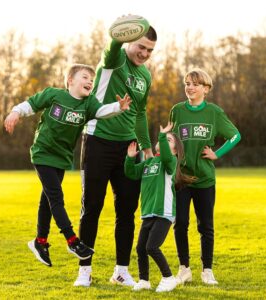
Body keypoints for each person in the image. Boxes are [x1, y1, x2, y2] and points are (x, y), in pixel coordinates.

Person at [4, 63, 131, 267]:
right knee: (55, 197)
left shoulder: (88, 103)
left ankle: (40, 241)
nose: (90, 81)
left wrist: (118, 107)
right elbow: (31, 104)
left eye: (92, 79)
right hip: (43, 153)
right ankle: (73, 241)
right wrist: (15, 113)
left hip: (62, 158)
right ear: (70, 80)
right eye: (85, 77)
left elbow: (102, 111)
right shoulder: (54, 95)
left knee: (47, 199)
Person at [74, 15, 157, 287]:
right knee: (92, 208)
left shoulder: (145, 74)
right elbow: (111, 49)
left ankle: (121, 270)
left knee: (127, 211)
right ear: (129, 40)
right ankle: (84, 271)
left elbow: (140, 113)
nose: (144, 54)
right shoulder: (115, 60)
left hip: (129, 149)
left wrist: (146, 148)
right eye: (141, 46)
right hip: (98, 142)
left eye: (149, 50)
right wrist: (117, 36)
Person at [169, 68, 241, 285]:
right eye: (187, 83)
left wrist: (216, 154)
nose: (190, 87)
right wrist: (170, 149)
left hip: (205, 179)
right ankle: (184, 269)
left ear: (206, 89)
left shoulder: (214, 113)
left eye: (195, 84)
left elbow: (235, 135)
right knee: (180, 223)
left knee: (206, 226)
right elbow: (171, 136)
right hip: (182, 177)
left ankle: (207, 270)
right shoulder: (177, 110)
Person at [125, 122, 195, 292]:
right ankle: (144, 281)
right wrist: (130, 158)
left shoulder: (169, 161)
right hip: (148, 212)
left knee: (152, 247)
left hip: (164, 213)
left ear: (175, 150)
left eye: (169, 140)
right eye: (165, 138)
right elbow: (131, 173)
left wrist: (163, 135)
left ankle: (168, 278)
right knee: (141, 248)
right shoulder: (149, 163)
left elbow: (165, 155)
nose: (164, 140)